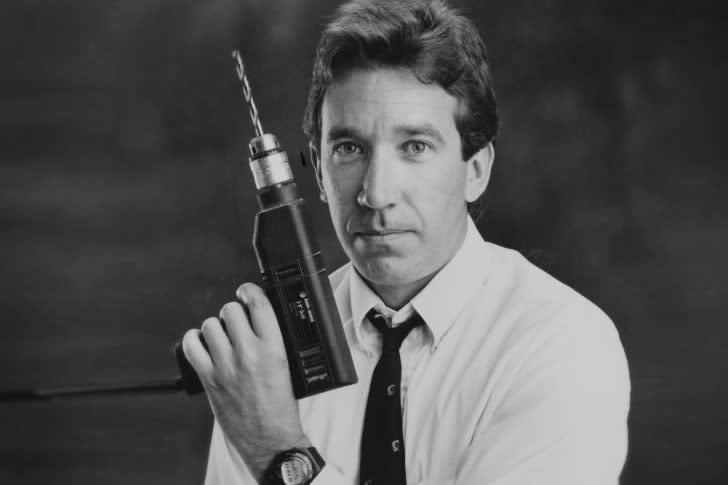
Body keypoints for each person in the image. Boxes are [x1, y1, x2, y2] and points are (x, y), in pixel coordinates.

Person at [182, 0, 631, 483]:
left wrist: (278, 450)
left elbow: (271, 447)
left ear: (476, 171)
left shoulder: (562, 345)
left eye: (415, 147)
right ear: (319, 169)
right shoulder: (266, 361)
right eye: (349, 149)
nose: (376, 193)